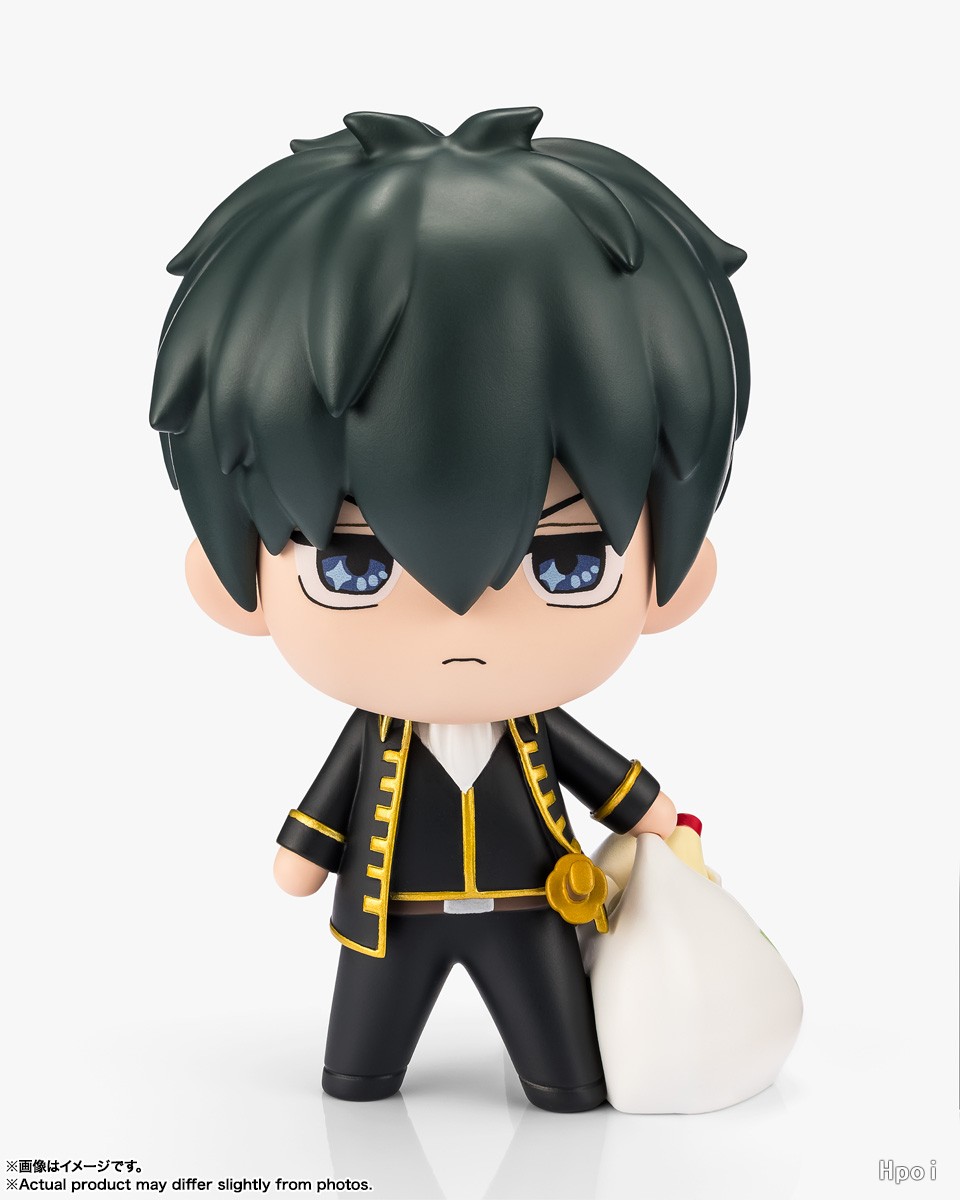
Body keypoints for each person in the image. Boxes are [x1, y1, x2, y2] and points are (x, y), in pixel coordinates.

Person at [150, 107, 750, 1111]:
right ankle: (365, 1072)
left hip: (534, 912)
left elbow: (607, 779)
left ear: (674, 578)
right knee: (360, 1067)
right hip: (388, 919)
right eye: (354, 566)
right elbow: (324, 814)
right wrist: (302, 854)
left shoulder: (531, 727)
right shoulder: (379, 736)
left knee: (565, 1072)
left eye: (566, 563)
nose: (463, 617)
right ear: (232, 580)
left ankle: (560, 1079)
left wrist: (657, 819)